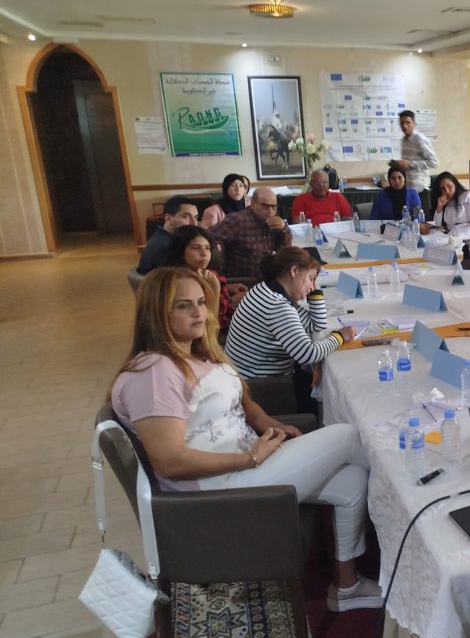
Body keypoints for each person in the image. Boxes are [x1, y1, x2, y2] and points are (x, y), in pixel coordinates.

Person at [110, 267, 381, 612]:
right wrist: (251, 458)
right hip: (218, 491)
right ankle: (420, 509)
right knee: (349, 435)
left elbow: (240, 400)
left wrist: (269, 424)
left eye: (201, 302)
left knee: (352, 479)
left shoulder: (192, 353)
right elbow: (169, 461)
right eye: (183, 305)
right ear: (156, 313)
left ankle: (347, 586)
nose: (199, 313)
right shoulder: (154, 373)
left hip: (241, 467)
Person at [225, 246, 355, 413]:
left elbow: (314, 325)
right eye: (311, 279)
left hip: (249, 379)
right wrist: (340, 336)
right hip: (261, 388)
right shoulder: (277, 305)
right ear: (294, 271)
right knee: (328, 399)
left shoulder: (266, 289)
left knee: (320, 384)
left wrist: (314, 291)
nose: (312, 286)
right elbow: (308, 354)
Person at [208, 187, 292, 279]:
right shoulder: (238, 220)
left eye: (274, 207)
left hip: (265, 277)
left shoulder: (275, 223)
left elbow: (284, 253)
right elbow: (211, 236)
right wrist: (221, 262)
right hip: (240, 279)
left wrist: (284, 229)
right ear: (253, 204)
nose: (270, 211)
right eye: (265, 206)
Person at [137, 196, 198, 274]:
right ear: (168, 218)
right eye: (186, 216)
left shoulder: (160, 235)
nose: (194, 223)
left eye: (195, 217)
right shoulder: (168, 246)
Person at [392, 110, 438, 210]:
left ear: (414, 123)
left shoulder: (420, 139)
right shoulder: (403, 140)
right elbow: (407, 164)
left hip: (421, 190)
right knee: (407, 218)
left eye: (408, 122)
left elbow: (434, 162)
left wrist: (411, 164)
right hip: (408, 189)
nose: (405, 126)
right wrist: (399, 164)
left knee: (422, 219)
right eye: (402, 123)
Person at [429, 171, 470, 240]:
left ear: (455, 185)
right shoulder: (447, 202)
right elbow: (437, 226)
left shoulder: (467, 197)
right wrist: (440, 207)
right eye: (443, 188)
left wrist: (457, 237)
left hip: (466, 239)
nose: (447, 191)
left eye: (449, 186)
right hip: (450, 238)